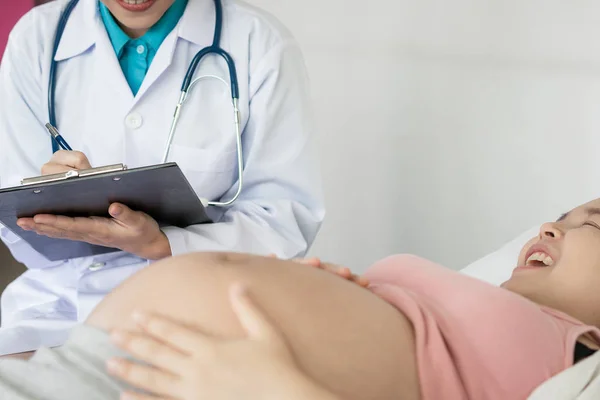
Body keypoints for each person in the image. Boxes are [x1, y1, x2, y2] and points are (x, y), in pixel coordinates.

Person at [0, 199, 598, 399]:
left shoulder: (581, 367)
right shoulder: (505, 313)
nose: (550, 228)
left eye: (591, 225)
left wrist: (281, 392)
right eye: (559, 217)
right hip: (98, 362)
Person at [0, 0, 324, 355]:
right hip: (56, 305)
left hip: (202, 302)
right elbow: (16, 217)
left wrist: (164, 245)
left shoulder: (258, 42)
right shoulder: (37, 38)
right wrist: (50, 198)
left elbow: (282, 222)